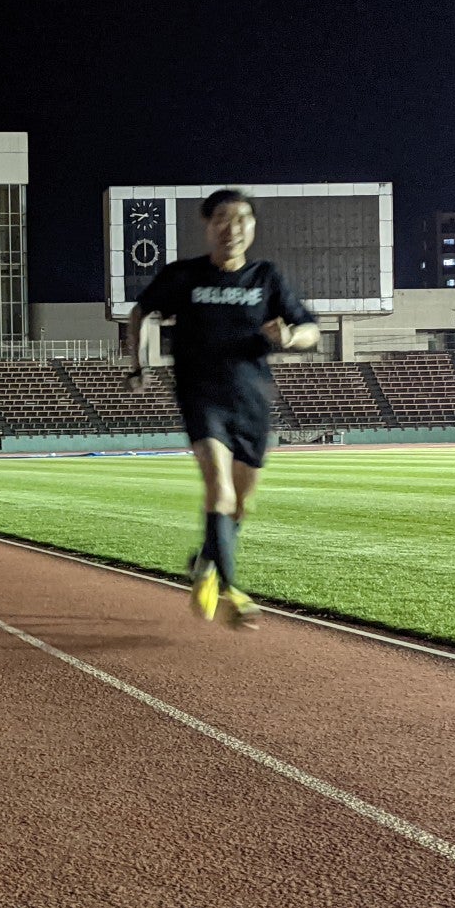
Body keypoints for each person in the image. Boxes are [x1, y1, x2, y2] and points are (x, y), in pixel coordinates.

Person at [125, 188, 321, 629]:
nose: (231, 229)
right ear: (207, 225)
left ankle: (205, 560)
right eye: (222, 219)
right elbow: (140, 312)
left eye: (241, 219)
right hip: (202, 396)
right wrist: (137, 364)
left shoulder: (266, 277)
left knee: (241, 505)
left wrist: (290, 337)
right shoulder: (185, 276)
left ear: (252, 226)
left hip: (251, 401)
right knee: (219, 489)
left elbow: (310, 329)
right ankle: (232, 593)